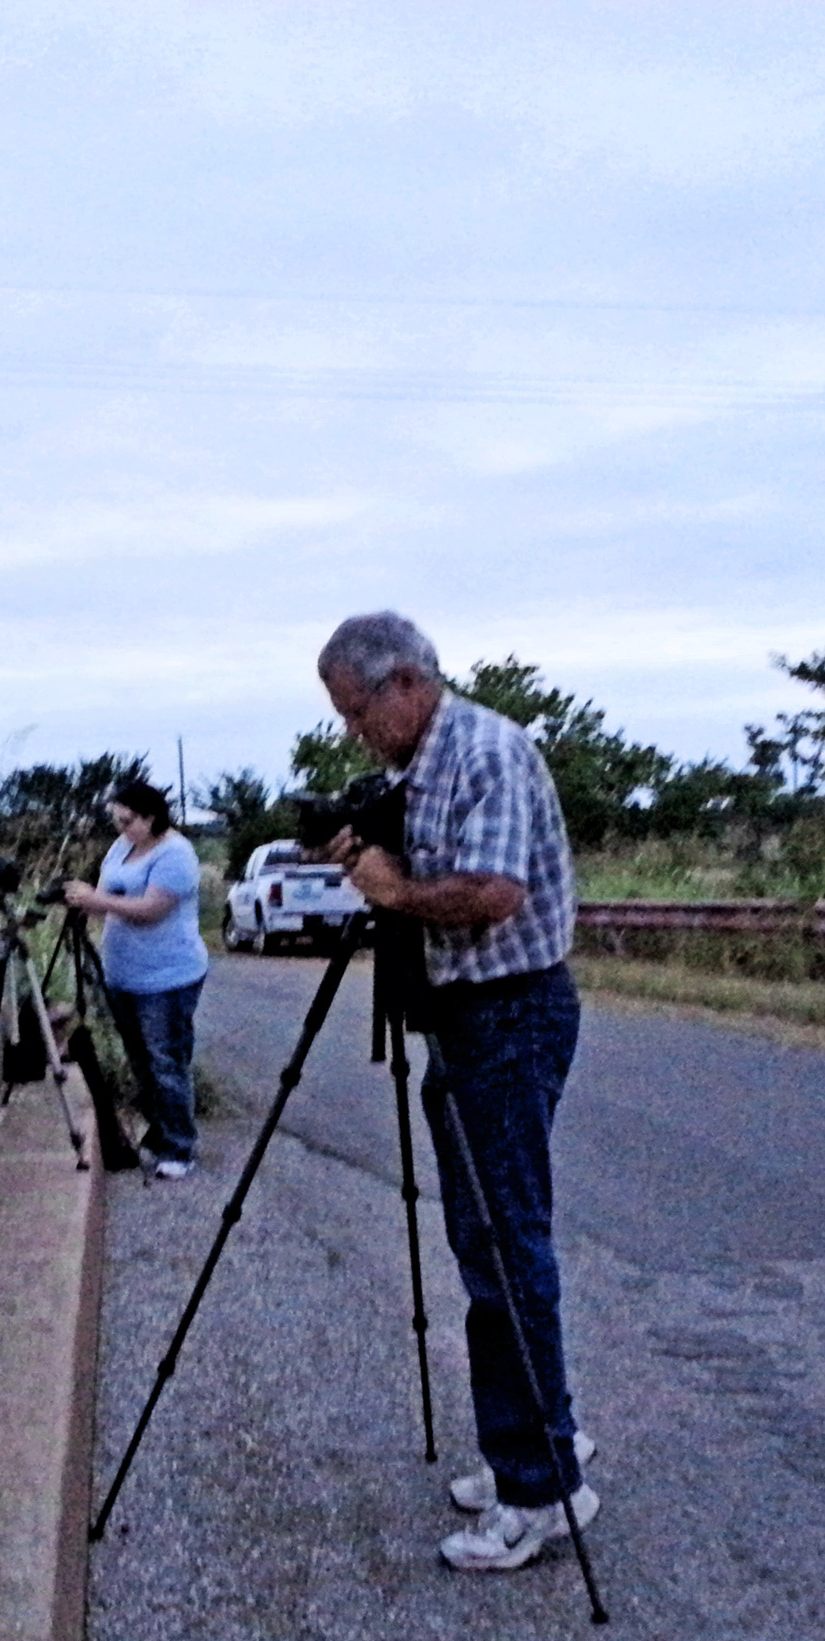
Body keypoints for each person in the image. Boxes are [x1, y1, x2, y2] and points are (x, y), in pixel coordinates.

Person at [316, 610, 596, 1572]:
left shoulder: (486, 751)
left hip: (508, 1018)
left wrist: (394, 894)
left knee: (505, 1252)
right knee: (487, 1239)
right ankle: (536, 1438)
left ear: (403, 683)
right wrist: (368, 855)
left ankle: (538, 1489)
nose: (354, 730)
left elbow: (492, 890)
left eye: (356, 711)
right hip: (466, 1018)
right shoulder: (418, 767)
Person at [63, 780, 207, 1180]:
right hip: (125, 976)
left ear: (150, 816)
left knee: (166, 1062)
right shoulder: (122, 847)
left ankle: (180, 1147)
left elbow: (150, 910)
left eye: (127, 820)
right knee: (142, 1062)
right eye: (117, 820)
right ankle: (160, 1135)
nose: (121, 827)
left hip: (167, 978)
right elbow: (109, 897)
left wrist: (96, 901)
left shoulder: (176, 855)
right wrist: (82, 904)